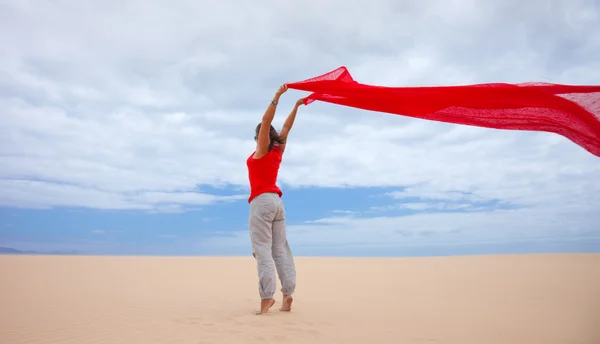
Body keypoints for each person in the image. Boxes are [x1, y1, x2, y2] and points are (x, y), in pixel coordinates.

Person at [246, 84, 305, 315]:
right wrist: (297, 106)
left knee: (262, 251)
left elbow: (266, 118)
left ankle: (266, 298)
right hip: (278, 204)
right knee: (280, 250)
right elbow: (287, 128)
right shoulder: (277, 151)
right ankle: (287, 293)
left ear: (260, 135)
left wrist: (277, 96)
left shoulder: (261, 151)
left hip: (261, 202)